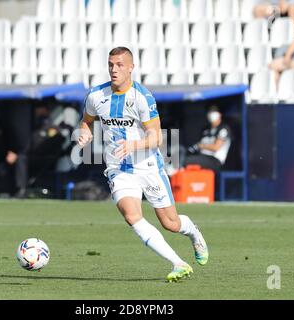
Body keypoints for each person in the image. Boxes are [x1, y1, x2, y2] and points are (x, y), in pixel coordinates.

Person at [77, 47, 208, 282]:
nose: (114, 69)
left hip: (148, 167)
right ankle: (178, 262)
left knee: (171, 223)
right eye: (110, 64)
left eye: (119, 64)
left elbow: (156, 137)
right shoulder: (96, 96)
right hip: (119, 169)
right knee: (131, 215)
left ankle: (193, 232)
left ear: (130, 67)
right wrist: (84, 132)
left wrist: (132, 145)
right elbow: (86, 121)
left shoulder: (142, 97)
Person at [183, 106, 232, 200]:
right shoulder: (206, 129)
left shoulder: (223, 129)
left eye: (214, 111)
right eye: (210, 111)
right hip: (202, 157)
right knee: (185, 154)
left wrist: (201, 145)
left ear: (219, 114)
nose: (211, 114)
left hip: (215, 160)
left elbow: (215, 147)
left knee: (187, 161)